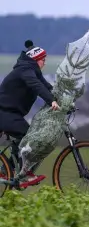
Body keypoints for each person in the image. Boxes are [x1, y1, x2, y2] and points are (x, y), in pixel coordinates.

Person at [0, 40, 60, 188]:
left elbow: (46, 87)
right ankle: (23, 175)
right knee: (28, 137)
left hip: (10, 113)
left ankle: (8, 172)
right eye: (43, 60)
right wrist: (51, 100)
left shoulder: (32, 71)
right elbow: (37, 86)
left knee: (22, 139)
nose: (44, 63)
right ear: (36, 59)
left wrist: (62, 100)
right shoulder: (25, 71)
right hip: (4, 112)